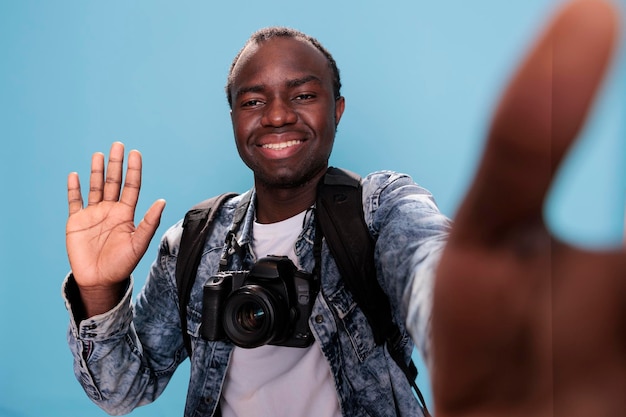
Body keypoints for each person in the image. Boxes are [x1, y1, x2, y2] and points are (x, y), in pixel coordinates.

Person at [62, 1, 625, 416]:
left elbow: (428, 264)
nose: (277, 115)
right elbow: (121, 390)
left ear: (339, 109)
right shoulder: (194, 241)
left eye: (303, 95)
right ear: (233, 119)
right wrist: (99, 291)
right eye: (252, 101)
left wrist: (466, 324)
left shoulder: (379, 209)